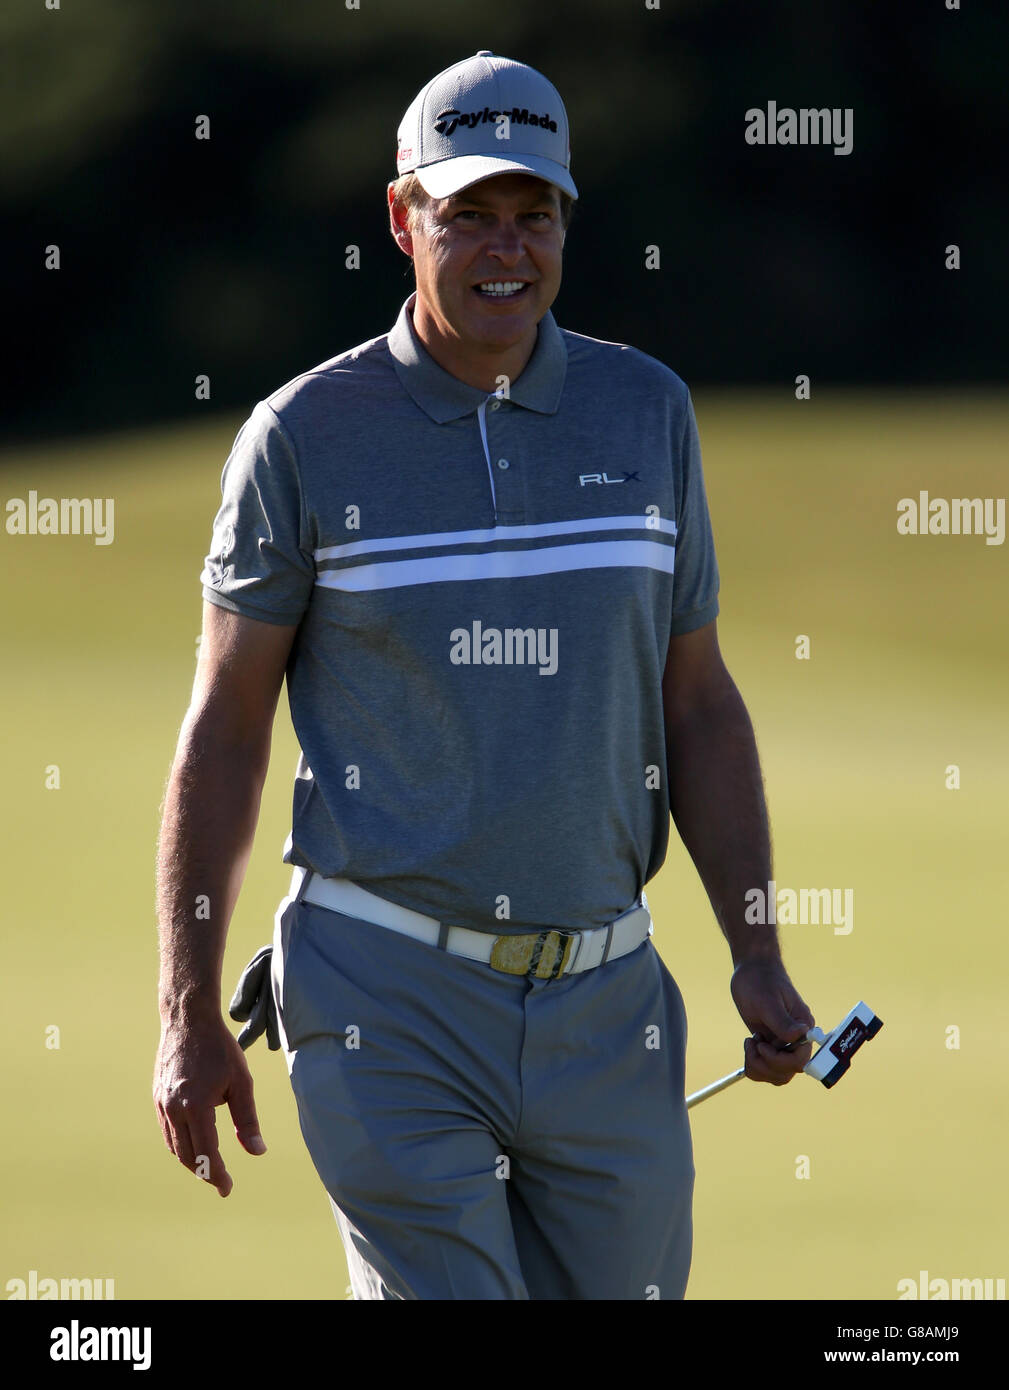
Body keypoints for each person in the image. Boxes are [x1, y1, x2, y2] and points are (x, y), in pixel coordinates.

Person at [153, 50, 815, 1301]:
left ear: (566, 221)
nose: (505, 250)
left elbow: (698, 701)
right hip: (380, 987)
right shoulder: (302, 436)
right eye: (468, 217)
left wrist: (756, 948)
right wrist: (188, 1006)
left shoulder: (646, 412)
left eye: (534, 215)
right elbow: (227, 728)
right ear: (403, 218)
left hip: (607, 992)